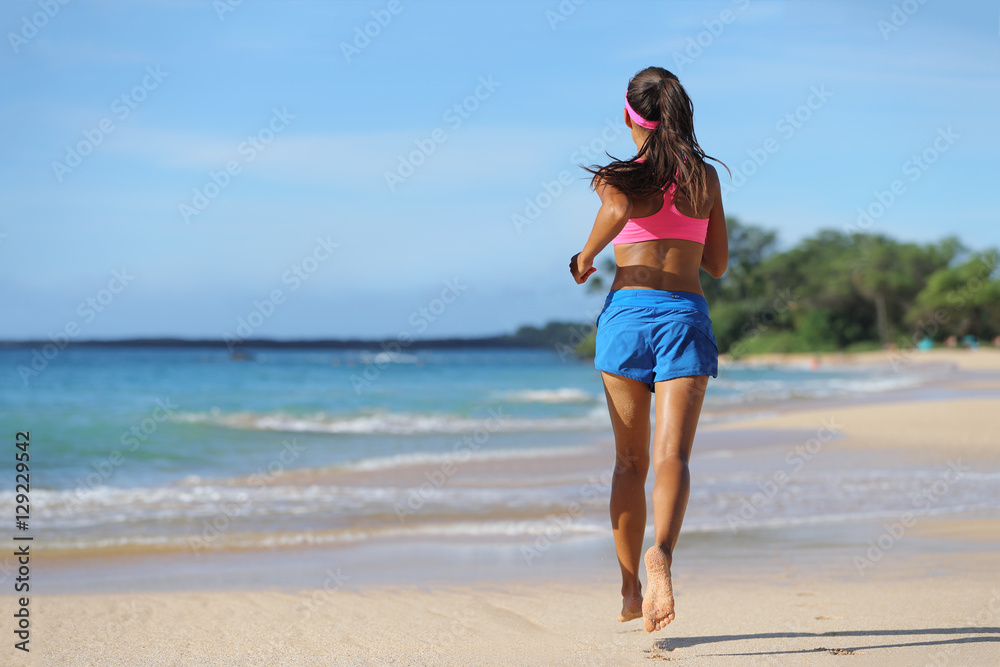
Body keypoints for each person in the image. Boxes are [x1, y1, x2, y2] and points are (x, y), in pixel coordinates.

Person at [569, 66, 729, 633]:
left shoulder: (618, 178)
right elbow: (717, 264)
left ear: (630, 116)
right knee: (672, 458)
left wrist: (586, 257)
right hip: (685, 314)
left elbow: (615, 215)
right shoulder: (704, 179)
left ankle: (631, 587)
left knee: (627, 462)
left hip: (628, 316)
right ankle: (662, 551)